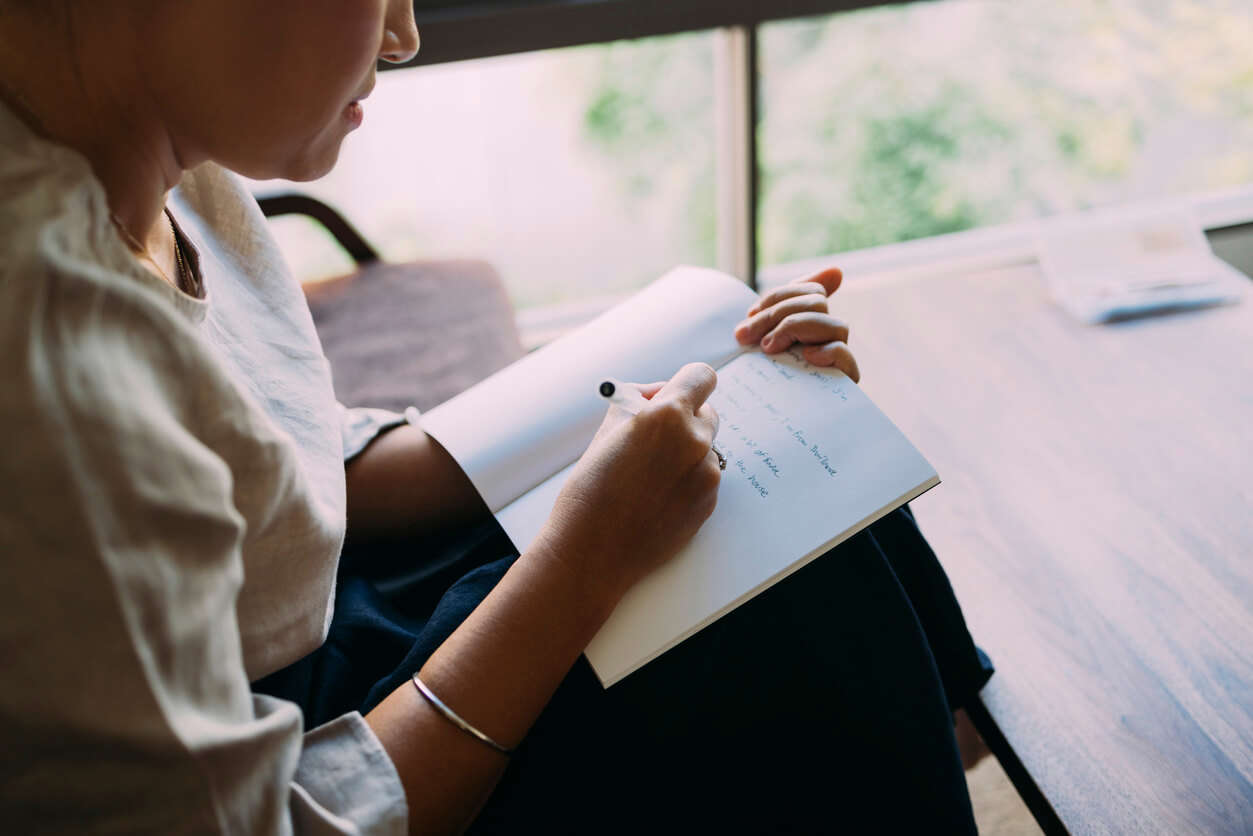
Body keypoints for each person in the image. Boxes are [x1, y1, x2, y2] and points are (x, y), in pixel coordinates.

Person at [0, 1, 992, 833]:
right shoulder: (52, 351)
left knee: (763, 478)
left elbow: (260, 451)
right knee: (781, 600)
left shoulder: (146, 130)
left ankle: (906, 724)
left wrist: (705, 368)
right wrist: (578, 562)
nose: (402, 34)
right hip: (290, 735)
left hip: (312, 609)